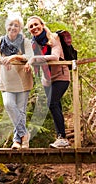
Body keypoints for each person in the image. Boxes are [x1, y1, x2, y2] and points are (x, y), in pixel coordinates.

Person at [0, 14, 33, 149]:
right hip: (7, 81)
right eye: (11, 25)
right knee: (8, 104)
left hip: (23, 79)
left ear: (20, 28)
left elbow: (30, 56)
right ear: (7, 26)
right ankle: (24, 134)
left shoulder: (25, 42)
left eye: (16, 25)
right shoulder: (0, 41)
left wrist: (14, 57)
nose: (13, 27)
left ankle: (17, 141)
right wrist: (2, 60)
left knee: (21, 111)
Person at [26, 15, 70, 148]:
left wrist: (34, 59)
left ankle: (61, 137)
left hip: (61, 76)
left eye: (36, 24)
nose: (34, 28)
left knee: (53, 103)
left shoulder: (53, 37)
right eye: (31, 27)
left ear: (42, 24)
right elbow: (27, 57)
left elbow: (55, 56)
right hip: (47, 80)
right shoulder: (33, 44)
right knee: (56, 105)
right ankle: (62, 138)